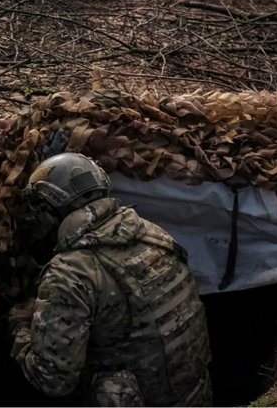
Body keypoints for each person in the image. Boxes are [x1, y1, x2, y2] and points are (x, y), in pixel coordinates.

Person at [11, 153, 213, 406]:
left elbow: (53, 380)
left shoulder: (71, 272)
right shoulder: (152, 233)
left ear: (49, 213)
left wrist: (20, 329)